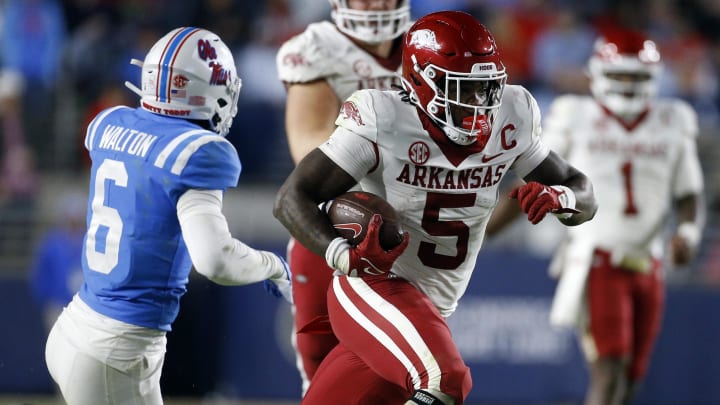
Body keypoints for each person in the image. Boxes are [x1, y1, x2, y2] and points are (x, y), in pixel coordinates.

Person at [273, 10, 598, 405]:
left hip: (427, 307)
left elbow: (582, 190)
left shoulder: (512, 117)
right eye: (463, 88)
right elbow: (292, 198)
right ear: (422, 82)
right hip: (374, 286)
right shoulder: (384, 119)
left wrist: (560, 198)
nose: (479, 104)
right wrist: (343, 256)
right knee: (444, 381)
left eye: (485, 88)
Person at [44, 27, 292, 405]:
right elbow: (215, 259)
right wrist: (272, 264)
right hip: (117, 349)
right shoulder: (198, 150)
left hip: (76, 325)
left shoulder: (111, 121)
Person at [545, 35, 704, 405]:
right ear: (600, 73)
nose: (630, 86)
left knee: (631, 378)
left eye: (637, 77)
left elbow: (689, 192)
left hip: (650, 262)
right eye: (622, 76)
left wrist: (689, 233)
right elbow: (533, 175)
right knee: (609, 366)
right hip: (599, 257)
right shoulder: (576, 113)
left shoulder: (673, 118)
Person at [275, 0, 411, 393]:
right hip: (334, 227)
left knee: (398, 377)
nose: (376, 3)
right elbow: (311, 156)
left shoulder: (429, 43)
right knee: (322, 376)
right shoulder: (317, 48)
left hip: (409, 237)